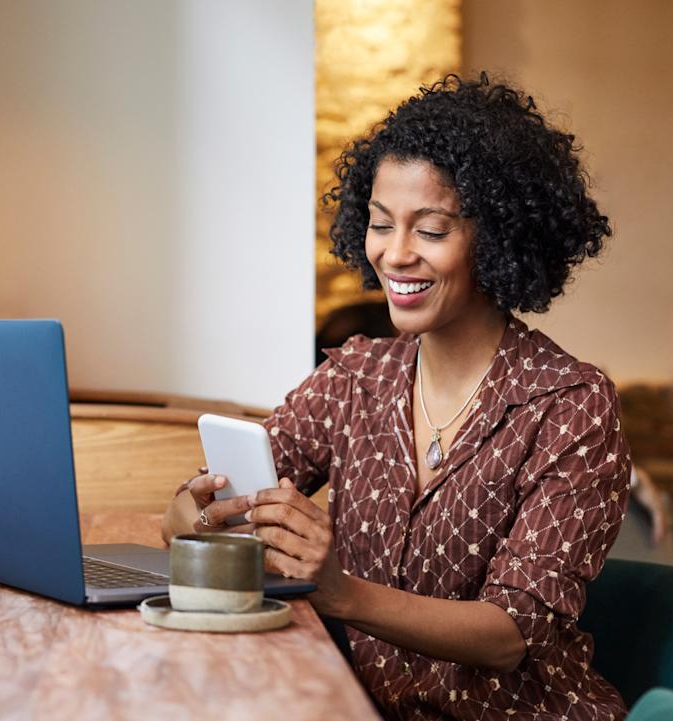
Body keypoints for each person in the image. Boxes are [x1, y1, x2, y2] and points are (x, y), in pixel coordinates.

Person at [163, 74, 631, 720]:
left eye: (431, 230)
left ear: (496, 240)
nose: (394, 254)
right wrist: (195, 513)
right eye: (381, 224)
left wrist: (344, 593)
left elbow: (510, 633)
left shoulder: (572, 406)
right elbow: (206, 499)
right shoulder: (356, 377)